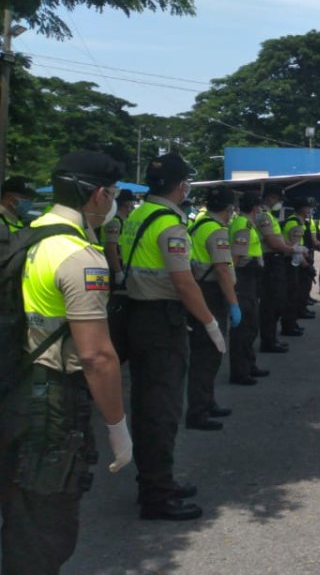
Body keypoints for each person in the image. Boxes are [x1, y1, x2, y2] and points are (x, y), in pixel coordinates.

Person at [0, 152, 133, 573]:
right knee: (46, 526)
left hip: (15, 384)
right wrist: (117, 427)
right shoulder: (80, 257)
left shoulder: (26, 234)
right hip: (51, 404)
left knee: (20, 511)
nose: (112, 203)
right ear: (97, 195)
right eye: (111, 195)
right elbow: (96, 356)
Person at [119, 152, 221, 520]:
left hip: (137, 315)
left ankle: (156, 480)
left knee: (149, 406)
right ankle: (157, 495)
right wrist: (210, 322)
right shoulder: (170, 224)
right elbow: (184, 281)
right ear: (182, 186)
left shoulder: (138, 215)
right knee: (160, 410)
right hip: (161, 322)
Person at [184, 187, 240, 431]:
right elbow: (221, 270)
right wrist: (234, 303)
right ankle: (198, 412)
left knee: (206, 353)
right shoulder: (216, 231)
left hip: (200, 289)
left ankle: (208, 401)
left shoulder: (198, 224)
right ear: (228, 209)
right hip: (211, 293)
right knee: (208, 354)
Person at [256, 185, 305, 348]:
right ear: (269, 197)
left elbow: (279, 239)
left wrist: (291, 247)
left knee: (277, 300)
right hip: (270, 261)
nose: (279, 203)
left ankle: (271, 338)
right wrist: (291, 249)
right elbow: (272, 242)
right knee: (270, 303)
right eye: (278, 199)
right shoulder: (263, 216)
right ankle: (268, 341)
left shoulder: (269, 215)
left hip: (276, 260)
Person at [229, 192, 270, 385]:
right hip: (244, 277)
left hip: (251, 277)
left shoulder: (246, 224)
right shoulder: (243, 225)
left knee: (251, 325)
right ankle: (240, 371)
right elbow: (236, 258)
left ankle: (249, 365)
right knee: (244, 328)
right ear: (255, 208)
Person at [102, 189, 137, 363]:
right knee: (115, 312)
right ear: (125, 203)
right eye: (131, 202)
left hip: (123, 270)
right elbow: (111, 248)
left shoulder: (126, 221)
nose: (133, 205)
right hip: (114, 270)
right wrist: (117, 272)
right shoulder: (115, 222)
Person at [281, 198, 315, 334]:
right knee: (292, 294)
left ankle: (295, 318)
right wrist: (305, 265)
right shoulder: (294, 223)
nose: (310, 210)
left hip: (297, 261)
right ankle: (289, 324)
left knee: (298, 291)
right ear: (302, 208)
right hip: (292, 263)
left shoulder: (300, 222)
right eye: (309, 208)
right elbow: (294, 248)